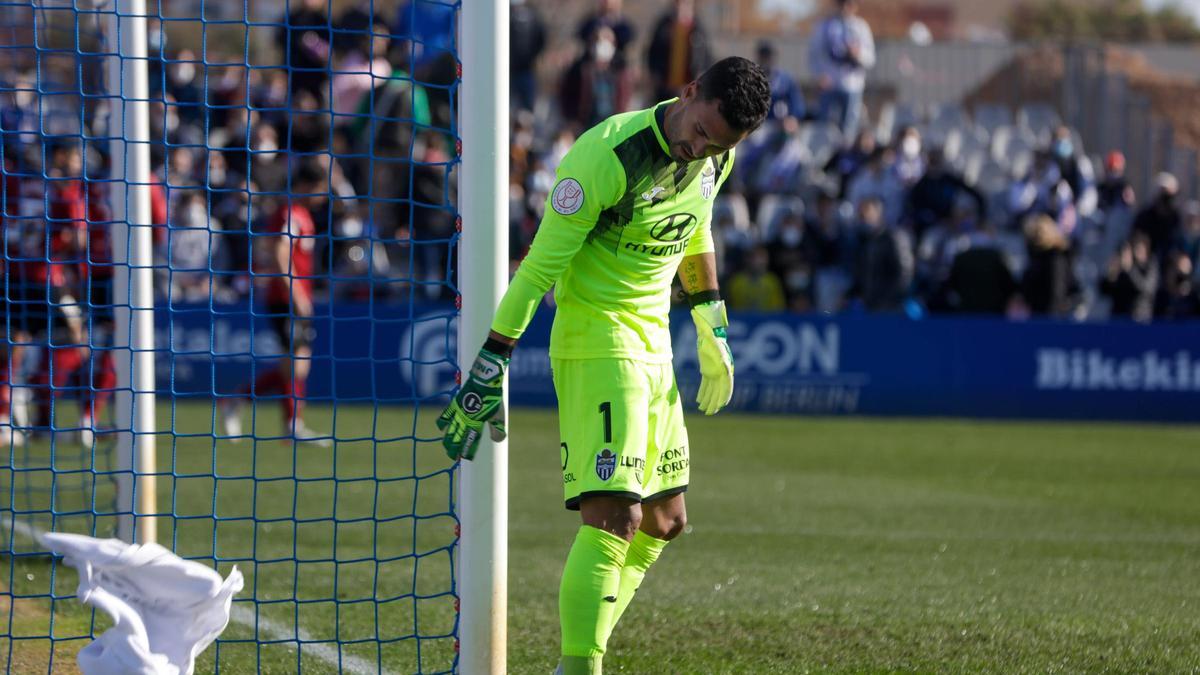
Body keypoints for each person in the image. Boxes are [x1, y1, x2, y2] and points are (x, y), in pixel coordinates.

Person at [436, 57, 770, 675]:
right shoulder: (606, 158)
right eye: (697, 132)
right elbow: (537, 270)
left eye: (715, 145)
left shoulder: (715, 157)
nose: (697, 150)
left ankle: (580, 656)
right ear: (688, 91)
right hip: (597, 340)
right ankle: (581, 665)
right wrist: (491, 362)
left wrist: (711, 320)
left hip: (654, 349)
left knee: (666, 522)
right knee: (616, 515)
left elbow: (695, 230)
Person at [222, 160, 331, 445]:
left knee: (295, 365)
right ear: (307, 187)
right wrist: (297, 296)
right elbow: (281, 255)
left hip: (294, 298)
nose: (323, 196)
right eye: (320, 189)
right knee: (295, 365)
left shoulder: (300, 213)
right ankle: (276, 417)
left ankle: (288, 423)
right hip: (285, 299)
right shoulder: (290, 213)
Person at [808, 0, 875, 136]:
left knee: (849, 128)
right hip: (829, 85)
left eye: (849, 4)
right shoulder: (825, 26)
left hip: (852, 85)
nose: (845, 8)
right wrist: (819, 75)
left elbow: (870, 58)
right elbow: (813, 55)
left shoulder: (860, 27)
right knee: (824, 127)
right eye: (842, 3)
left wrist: (858, 54)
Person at [560, 25, 634, 131]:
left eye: (607, 40)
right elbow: (567, 95)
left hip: (613, 125)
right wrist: (571, 119)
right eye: (599, 40)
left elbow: (626, 96)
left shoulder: (620, 69)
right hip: (587, 124)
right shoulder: (579, 68)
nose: (603, 44)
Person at [646, 0, 712, 103]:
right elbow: (653, 53)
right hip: (664, 89)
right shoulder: (664, 25)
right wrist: (655, 77)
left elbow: (705, 58)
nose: (681, 6)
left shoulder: (697, 28)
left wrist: (698, 79)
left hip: (688, 89)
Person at [755, 41, 805, 124]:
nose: (766, 60)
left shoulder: (786, 79)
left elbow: (798, 105)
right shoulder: (751, 78)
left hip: (782, 125)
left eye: (768, 56)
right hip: (758, 126)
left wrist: (793, 118)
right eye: (763, 56)